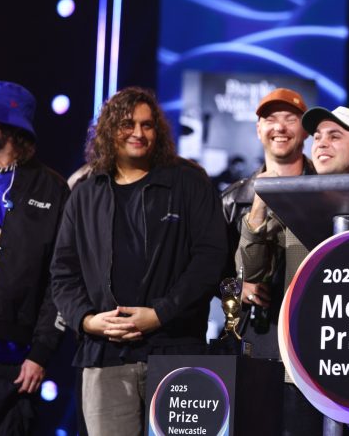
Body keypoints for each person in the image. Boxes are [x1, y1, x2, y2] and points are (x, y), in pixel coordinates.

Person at [51, 86, 227, 436]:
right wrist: (87, 321)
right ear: (108, 130)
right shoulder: (84, 193)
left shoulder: (189, 182)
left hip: (178, 350)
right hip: (105, 354)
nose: (138, 133)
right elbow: (63, 273)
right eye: (128, 124)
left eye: (148, 126)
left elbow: (211, 258)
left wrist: (161, 312)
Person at [226, 101, 349, 436]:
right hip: (296, 366)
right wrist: (259, 211)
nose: (321, 142)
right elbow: (251, 275)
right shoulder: (293, 201)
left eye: (335, 136)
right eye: (318, 135)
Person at [221, 88, 320, 435]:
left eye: (290, 119)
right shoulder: (234, 198)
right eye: (270, 119)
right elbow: (212, 272)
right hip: (254, 343)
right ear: (258, 129)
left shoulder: (326, 190)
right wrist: (238, 286)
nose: (280, 127)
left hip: (310, 346)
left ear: (305, 131)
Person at [0, 81, 68, 435]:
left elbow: (59, 280)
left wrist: (40, 352)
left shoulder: (51, 188)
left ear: (7, 126)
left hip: (15, 362)